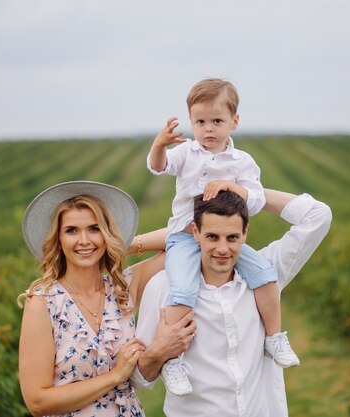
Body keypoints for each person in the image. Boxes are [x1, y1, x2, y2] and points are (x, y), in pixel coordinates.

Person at [146, 78, 298, 395]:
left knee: (265, 275)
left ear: (234, 122)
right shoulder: (186, 152)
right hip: (187, 237)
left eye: (217, 121)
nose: (209, 129)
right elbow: (160, 167)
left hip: (225, 239)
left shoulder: (242, 162)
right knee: (183, 287)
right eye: (200, 122)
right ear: (191, 123)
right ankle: (172, 361)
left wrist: (233, 187)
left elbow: (255, 200)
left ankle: (274, 338)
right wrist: (160, 145)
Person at [131, 189, 332, 417]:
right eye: (212, 237)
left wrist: (246, 191)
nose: (223, 249)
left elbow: (318, 215)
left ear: (245, 233)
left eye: (233, 237)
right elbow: (139, 380)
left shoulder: (265, 275)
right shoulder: (162, 288)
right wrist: (159, 352)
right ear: (195, 232)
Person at [17, 181, 195, 417]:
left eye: (94, 229)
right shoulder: (42, 304)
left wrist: (123, 245)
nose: (84, 240)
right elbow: (38, 402)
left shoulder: (123, 288)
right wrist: (115, 376)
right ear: (58, 240)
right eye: (71, 231)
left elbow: (189, 237)